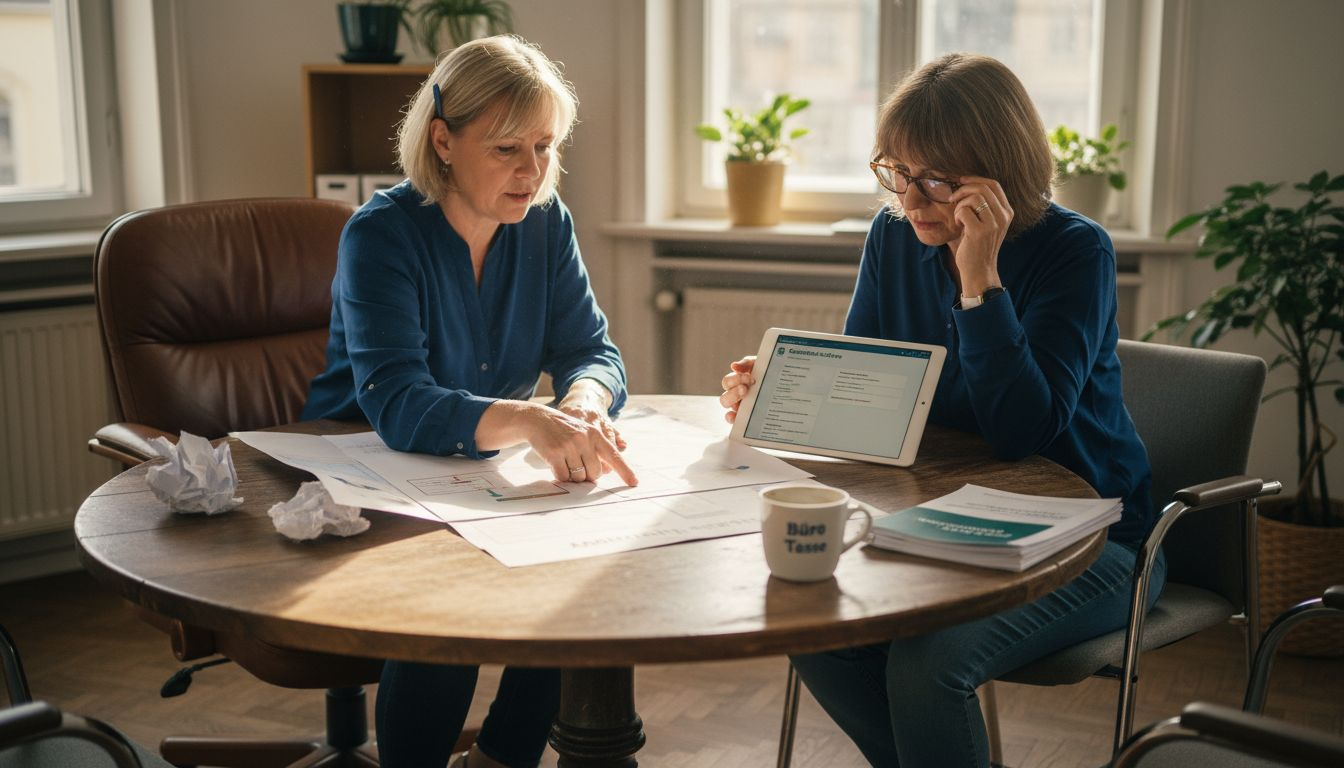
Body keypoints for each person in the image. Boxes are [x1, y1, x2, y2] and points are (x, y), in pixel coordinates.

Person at [719, 53, 1166, 767]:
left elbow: (1022, 432)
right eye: (897, 172)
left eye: (936, 179)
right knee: (810, 624)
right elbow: (869, 393)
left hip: (1094, 542)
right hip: (939, 524)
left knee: (926, 667)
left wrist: (980, 279)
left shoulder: (1075, 252)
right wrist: (777, 392)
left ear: (1001, 173)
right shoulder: (892, 234)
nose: (912, 199)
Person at [302, 35, 636, 768]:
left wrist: (582, 400)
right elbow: (395, 399)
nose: (533, 172)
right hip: (360, 475)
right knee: (447, 599)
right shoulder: (381, 234)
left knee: (574, 573)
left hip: (465, 475)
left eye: (546, 146)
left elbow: (593, 351)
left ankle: (501, 758)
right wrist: (525, 418)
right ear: (443, 141)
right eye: (508, 149)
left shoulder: (546, 223)